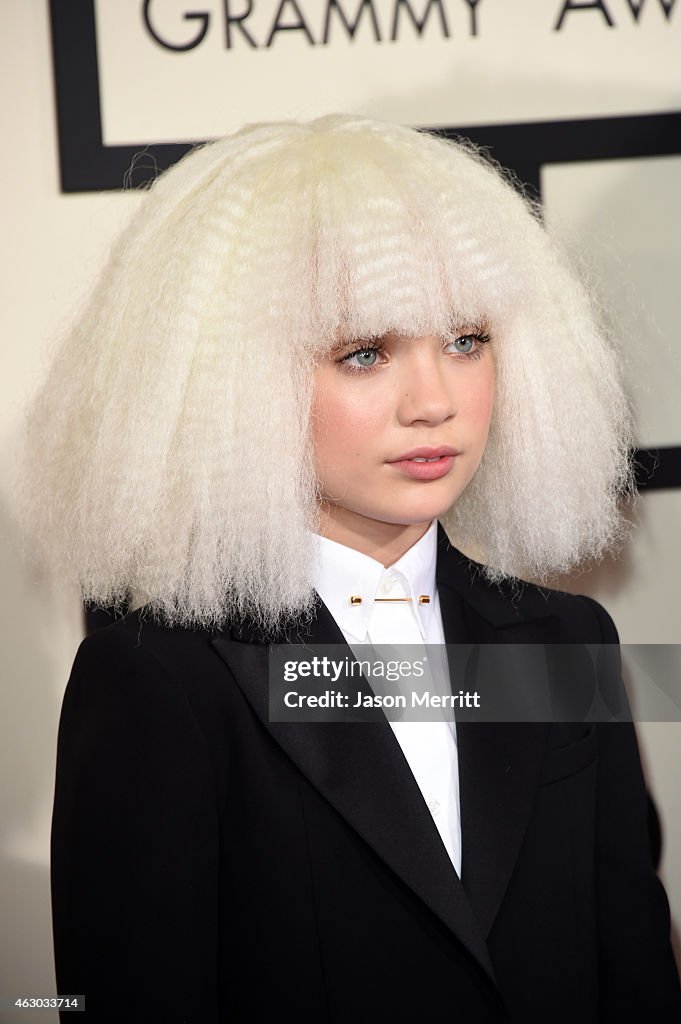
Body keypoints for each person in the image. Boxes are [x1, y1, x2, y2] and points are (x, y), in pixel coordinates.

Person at [20, 115, 681, 1022]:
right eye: (363, 353)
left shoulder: (567, 636)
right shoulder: (164, 680)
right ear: (232, 380)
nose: (434, 403)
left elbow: (633, 971)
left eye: (465, 340)